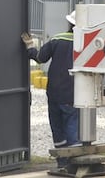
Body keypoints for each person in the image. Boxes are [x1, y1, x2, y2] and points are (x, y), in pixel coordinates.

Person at [22, 11, 79, 169]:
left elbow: (40, 57)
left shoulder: (57, 39)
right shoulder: (86, 44)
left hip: (54, 91)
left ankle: (62, 162)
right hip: (73, 93)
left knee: (57, 127)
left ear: (69, 24)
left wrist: (30, 46)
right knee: (72, 126)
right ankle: (74, 163)